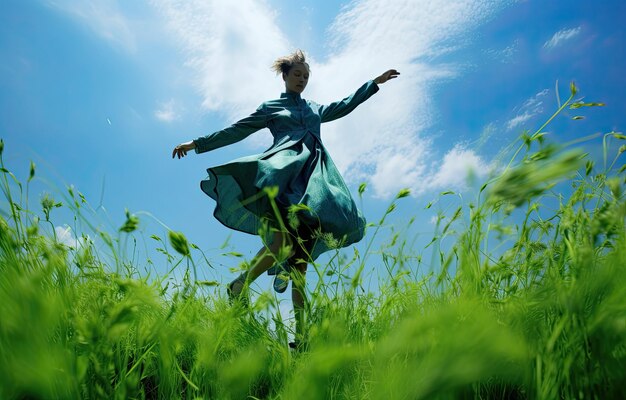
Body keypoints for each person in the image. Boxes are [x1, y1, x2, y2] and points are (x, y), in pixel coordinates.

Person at [173, 49, 399, 348]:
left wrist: (374, 83)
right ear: (285, 76)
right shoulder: (272, 107)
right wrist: (195, 144)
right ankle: (240, 286)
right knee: (281, 244)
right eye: (297, 75)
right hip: (280, 180)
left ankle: (302, 336)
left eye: (306, 76)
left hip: (314, 187)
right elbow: (236, 130)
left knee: (300, 267)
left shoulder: (315, 108)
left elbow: (345, 105)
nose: (302, 80)